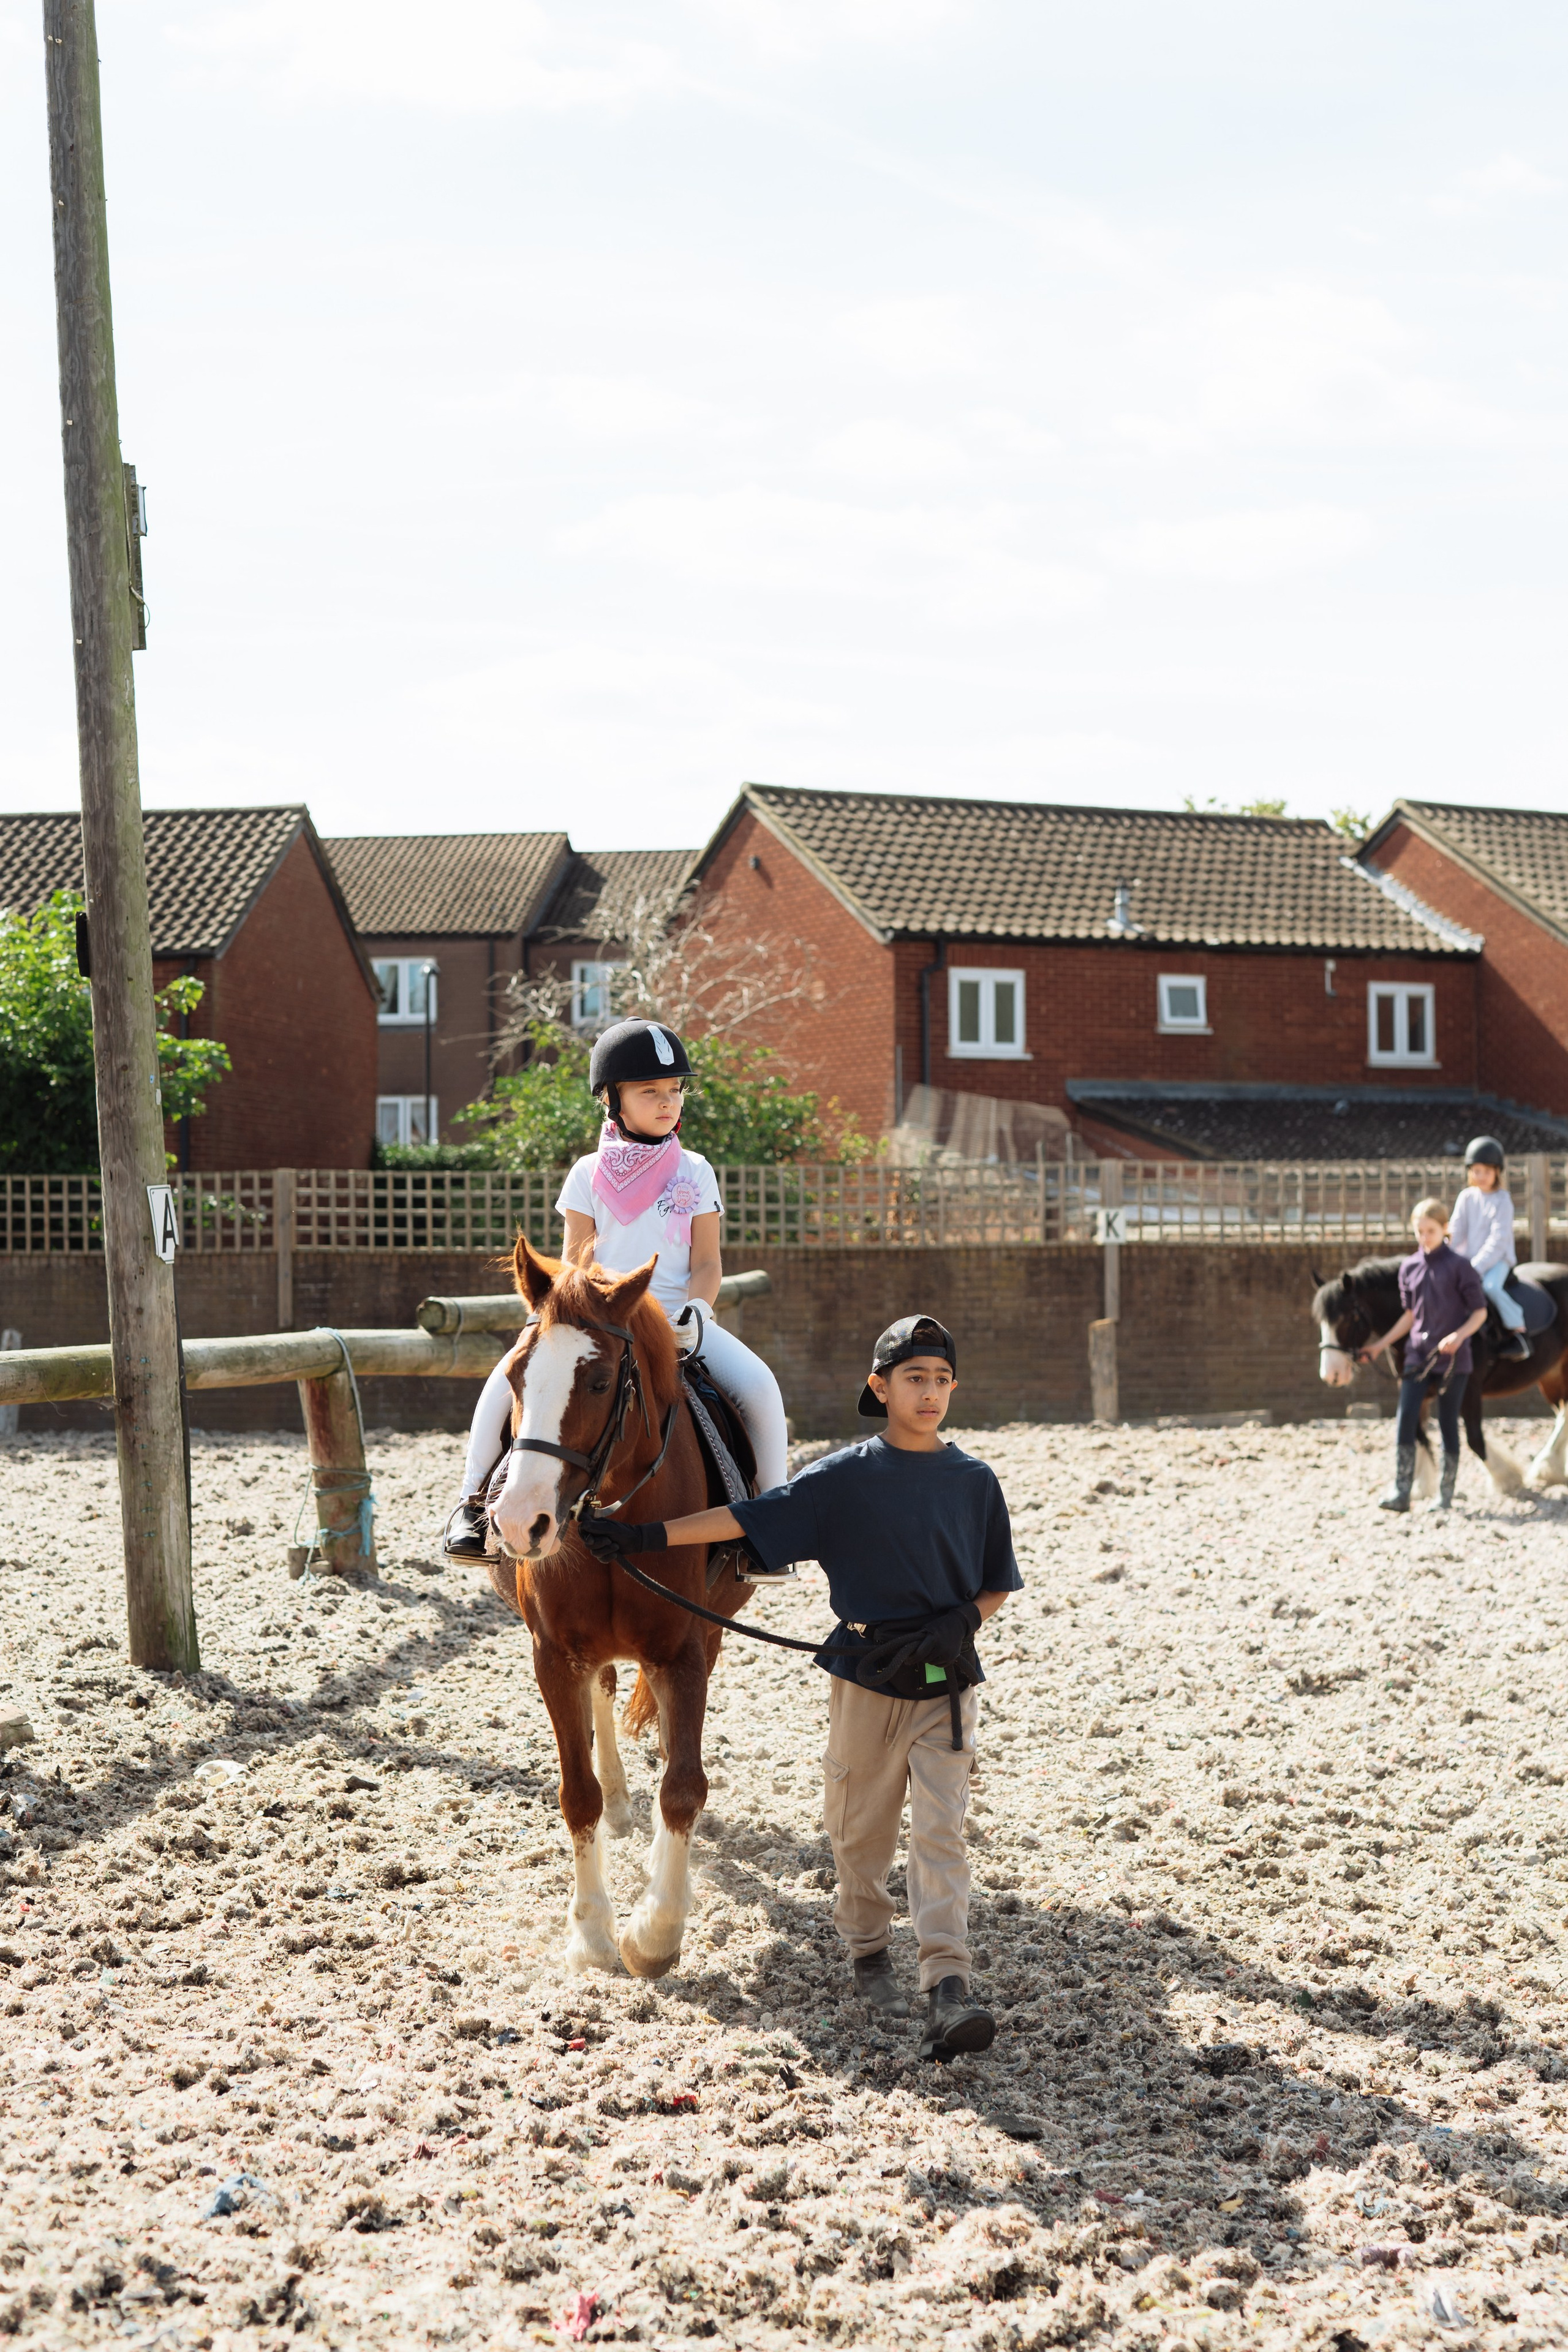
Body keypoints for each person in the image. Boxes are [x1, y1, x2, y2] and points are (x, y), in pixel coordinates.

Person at [577, 1314, 1022, 2064]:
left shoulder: (974, 1482)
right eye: (915, 1379)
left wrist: (962, 1623)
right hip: (864, 1683)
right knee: (859, 1835)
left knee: (941, 1833)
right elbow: (749, 1518)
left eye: (942, 1380)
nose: (931, 1393)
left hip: (947, 1687)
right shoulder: (842, 1479)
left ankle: (948, 1983)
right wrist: (645, 1537)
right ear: (879, 1388)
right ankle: (869, 1952)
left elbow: (995, 1583)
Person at [442, 1016, 790, 1568]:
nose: (667, 1102)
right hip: (598, 1321)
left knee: (761, 1388)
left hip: (678, 1321)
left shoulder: (696, 1172)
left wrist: (698, 1311)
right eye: (650, 1091)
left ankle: (773, 1523)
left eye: (675, 1090)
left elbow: (707, 1262)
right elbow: (576, 1263)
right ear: (613, 1099)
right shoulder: (586, 1173)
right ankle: (469, 1505)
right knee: (503, 1382)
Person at [1365, 1196, 1486, 1513]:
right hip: (1417, 1355)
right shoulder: (1409, 1267)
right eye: (1419, 1231)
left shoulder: (1461, 1267)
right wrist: (1380, 1345)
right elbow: (1410, 1316)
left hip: (1454, 1360)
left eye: (1430, 1230)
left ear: (1445, 1229)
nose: (1424, 1237)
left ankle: (1445, 1496)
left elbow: (1479, 1313)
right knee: (1405, 1420)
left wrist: (1459, 1337)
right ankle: (1401, 1491)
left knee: (1448, 1422)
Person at [1449, 1135, 1531, 1362]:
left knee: (1491, 1287)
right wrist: (1448, 1257)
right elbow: (1456, 1232)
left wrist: (1475, 1268)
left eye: (1486, 1171)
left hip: (1498, 1261)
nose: (1481, 1176)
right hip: (1470, 1261)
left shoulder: (1503, 1200)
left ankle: (1517, 1331)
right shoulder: (1466, 1197)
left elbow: (1498, 1240)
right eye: (1476, 1171)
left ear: (1497, 1172)